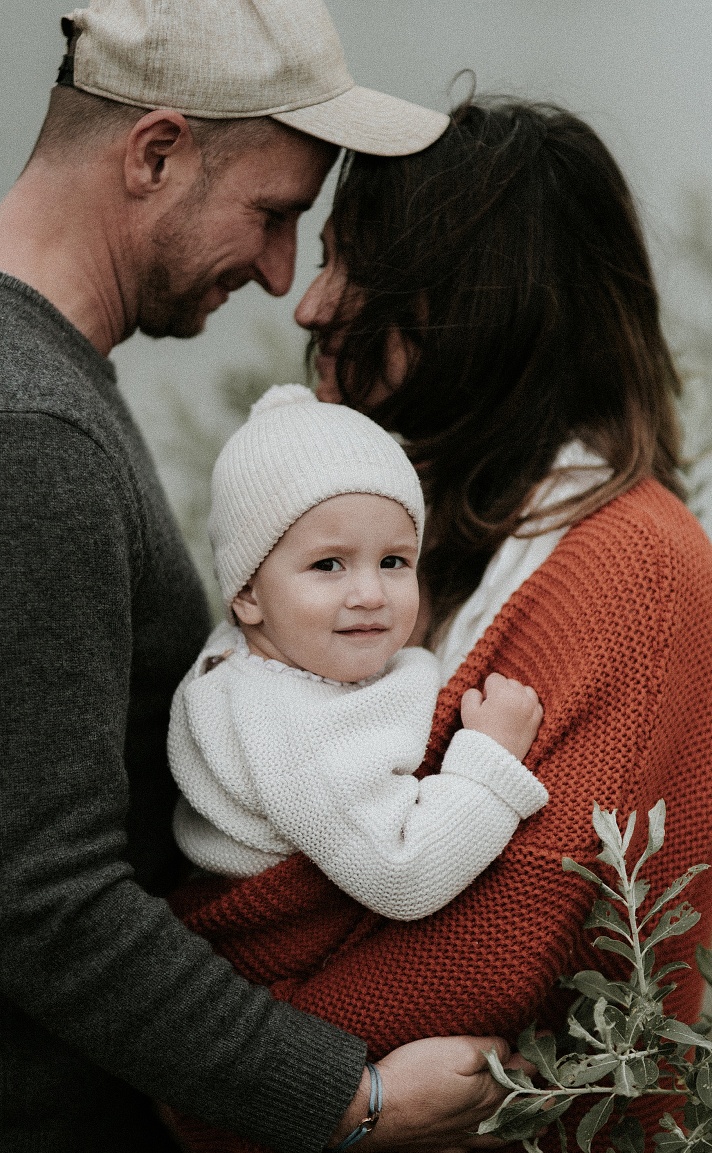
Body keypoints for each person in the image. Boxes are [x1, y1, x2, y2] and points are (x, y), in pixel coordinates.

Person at [0, 0, 528, 1148]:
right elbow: (44, 903)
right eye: (273, 215)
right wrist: (347, 1101)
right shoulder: (24, 433)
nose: (277, 275)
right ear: (155, 152)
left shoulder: (9, 371)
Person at [167, 97, 712, 1152]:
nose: (310, 305)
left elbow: (486, 959)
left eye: (353, 267)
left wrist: (201, 1074)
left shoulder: (632, 568)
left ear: (477, 304)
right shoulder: (424, 534)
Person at [169, 383, 546, 919]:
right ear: (247, 593)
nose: (370, 595)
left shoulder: (267, 648)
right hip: (299, 948)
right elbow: (403, 874)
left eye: (394, 561)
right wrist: (490, 758)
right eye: (328, 565)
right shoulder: (292, 733)